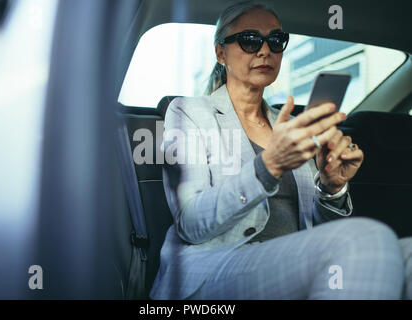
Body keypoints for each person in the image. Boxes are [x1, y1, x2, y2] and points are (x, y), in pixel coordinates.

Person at [150, 1, 412, 299]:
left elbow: (321, 230)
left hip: (293, 260)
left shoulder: (289, 124)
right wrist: (267, 167)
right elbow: (191, 224)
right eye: (249, 40)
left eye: (276, 40)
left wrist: (331, 188)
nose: (265, 50)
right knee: (368, 238)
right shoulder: (190, 113)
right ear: (220, 52)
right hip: (215, 268)